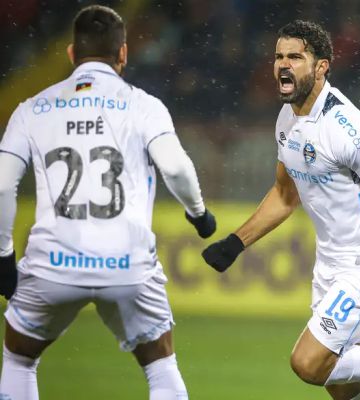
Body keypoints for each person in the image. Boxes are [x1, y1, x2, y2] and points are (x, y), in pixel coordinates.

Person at [201, 20, 360, 400]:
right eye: (278, 56)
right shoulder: (287, 119)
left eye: (295, 56)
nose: (283, 65)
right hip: (331, 263)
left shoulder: (350, 130)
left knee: (309, 363)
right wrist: (235, 243)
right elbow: (284, 195)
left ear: (321, 66)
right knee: (342, 386)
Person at [0, 5, 216, 399]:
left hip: (54, 264)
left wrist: (2, 256)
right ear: (123, 54)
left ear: (70, 54)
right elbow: (177, 168)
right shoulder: (143, 105)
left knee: (19, 358)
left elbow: (1, 185)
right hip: (127, 264)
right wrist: (199, 214)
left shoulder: (31, 109)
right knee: (160, 363)